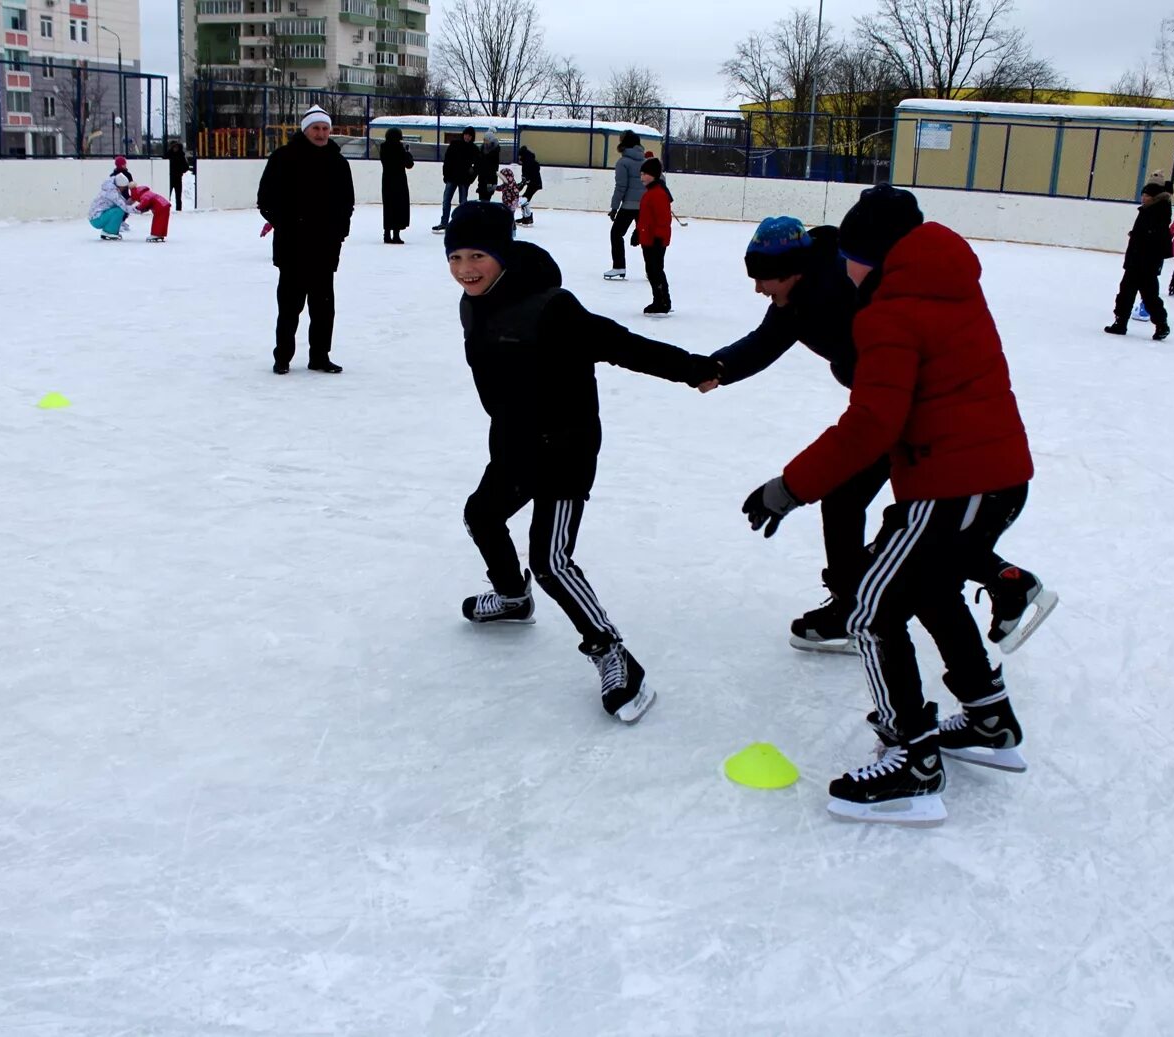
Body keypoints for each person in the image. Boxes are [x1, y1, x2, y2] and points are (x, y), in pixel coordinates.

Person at [740, 185, 1038, 825]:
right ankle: (989, 720)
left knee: (872, 609)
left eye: (848, 256)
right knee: (929, 592)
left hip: (954, 482)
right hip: (987, 474)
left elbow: (872, 423)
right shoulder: (945, 286)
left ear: (869, 257)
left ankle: (913, 761)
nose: (843, 270)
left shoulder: (889, 312)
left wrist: (789, 487)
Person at [705, 216, 1054, 655]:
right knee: (867, 510)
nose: (759, 289)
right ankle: (1004, 581)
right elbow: (764, 340)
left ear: (794, 269)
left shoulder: (846, 288)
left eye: (764, 279)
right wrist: (719, 368)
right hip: (889, 407)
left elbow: (898, 343)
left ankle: (858, 611)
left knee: (896, 523)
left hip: (902, 413)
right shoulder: (797, 296)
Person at [445, 201, 722, 723]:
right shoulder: (473, 303)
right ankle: (511, 597)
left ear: (503, 254)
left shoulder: (552, 308)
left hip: (564, 449)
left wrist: (692, 370)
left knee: (550, 561)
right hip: (512, 443)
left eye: (477, 255)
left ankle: (613, 653)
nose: (465, 269)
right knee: (481, 514)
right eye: (455, 257)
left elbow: (621, 345)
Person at [257, 105, 354, 375]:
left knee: (323, 308)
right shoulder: (284, 158)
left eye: (325, 128)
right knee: (289, 307)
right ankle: (283, 357)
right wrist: (288, 224)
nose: (321, 133)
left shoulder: (338, 162)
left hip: (325, 247)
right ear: (305, 130)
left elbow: (347, 202)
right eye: (316, 128)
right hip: (293, 247)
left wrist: (340, 232)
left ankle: (320, 356)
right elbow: (265, 199)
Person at [1105, 179, 1173, 341]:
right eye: (1143, 194)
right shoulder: (1149, 210)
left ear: (1154, 197)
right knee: (1130, 293)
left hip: (1145, 262)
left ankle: (1161, 325)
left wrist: (1139, 238)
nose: (1143, 197)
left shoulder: (1157, 212)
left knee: (1145, 295)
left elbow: (1157, 237)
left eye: (1146, 195)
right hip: (1139, 260)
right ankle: (1122, 323)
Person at [604, 131, 647, 279]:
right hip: (644, 206)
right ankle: (652, 270)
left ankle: (619, 267)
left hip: (629, 206)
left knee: (616, 234)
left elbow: (621, 187)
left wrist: (614, 207)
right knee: (646, 238)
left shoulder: (623, 162)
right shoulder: (646, 161)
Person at [634, 155, 673, 316]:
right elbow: (645, 218)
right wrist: (637, 232)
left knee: (656, 270)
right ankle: (658, 299)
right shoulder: (650, 192)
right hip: (648, 239)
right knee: (651, 270)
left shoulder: (657, 194)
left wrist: (658, 238)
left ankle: (663, 301)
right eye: (641, 174)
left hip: (656, 240)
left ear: (654, 175)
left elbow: (663, 220)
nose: (642, 177)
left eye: (645, 174)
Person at [432, 126, 479, 232]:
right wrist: (446, 175)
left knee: (463, 203)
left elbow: (477, 166)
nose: (467, 137)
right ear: (463, 134)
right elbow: (447, 160)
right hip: (451, 178)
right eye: (466, 134)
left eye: (470, 136)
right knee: (446, 200)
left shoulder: (474, 149)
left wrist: (470, 178)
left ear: (472, 137)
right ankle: (444, 222)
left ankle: (462, 224)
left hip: (464, 180)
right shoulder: (455, 145)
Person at [380, 126, 414, 244]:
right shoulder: (399, 148)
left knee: (388, 207)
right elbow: (409, 164)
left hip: (387, 180)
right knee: (398, 207)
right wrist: (408, 153)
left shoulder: (383, 147)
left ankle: (387, 234)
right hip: (399, 181)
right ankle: (396, 234)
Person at [88, 170, 138, 240]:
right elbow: (123, 207)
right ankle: (109, 232)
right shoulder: (112, 192)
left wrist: (132, 200)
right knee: (119, 211)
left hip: (96, 217)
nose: (124, 189)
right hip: (97, 220)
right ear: (119, 186)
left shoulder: (112, 188)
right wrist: (139, 210)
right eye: (123, 187)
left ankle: (109, 230)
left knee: (118, 209)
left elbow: (123, 203)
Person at [517, 143, 543, 227]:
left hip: (534, 184)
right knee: (525, 198)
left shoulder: (527, 163)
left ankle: (527, 218)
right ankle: (526, 217)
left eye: (519, 156)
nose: (519, 158)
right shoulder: (529, 161)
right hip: (534, 184)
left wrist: (522, 184)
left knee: (524, 199)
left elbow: (526, 176)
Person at [474, 129, 502, 202]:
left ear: (490, 140)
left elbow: (494, 168)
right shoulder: (481, 149)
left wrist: (491, 183)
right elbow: (478, 163)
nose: (484, 141)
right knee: (482, 199)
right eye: (484, 139)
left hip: (490, 180)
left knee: (487, 199)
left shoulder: (495, 152)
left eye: (486, 140)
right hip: (482, 179)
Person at [165, 140, 190, 212]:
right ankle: (166, 209)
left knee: (178, 196)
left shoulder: (181, 155)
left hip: (178, 178)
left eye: (177, 147)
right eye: (174, 147)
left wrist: (180, 171)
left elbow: (186, 167)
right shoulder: (168, 155)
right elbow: (164, 164)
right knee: (168, 195)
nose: (175, 148)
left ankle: (179, 210)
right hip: (170, 177)